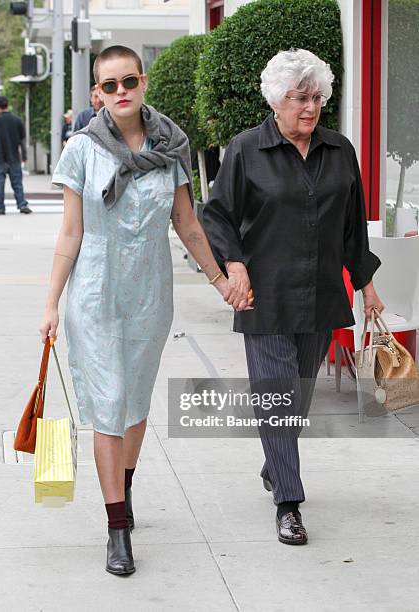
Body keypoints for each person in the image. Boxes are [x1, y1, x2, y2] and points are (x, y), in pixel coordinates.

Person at [39, 45, 248, 576]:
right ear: (96, 95)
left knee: (134, 404)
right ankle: (117, 528)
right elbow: (70, 232)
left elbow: (188, 224)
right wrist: (51, 304)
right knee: (108, 406)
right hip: (94, 296)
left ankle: (123, 493)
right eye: (109, 86)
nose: (120, 91)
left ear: (143, 82)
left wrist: (221, 280)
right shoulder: (82, 149)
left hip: (150, 298)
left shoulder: (172, 148)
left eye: (128, 80)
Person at [203, 48, 385, 546]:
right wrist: (233, 265)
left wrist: (366, 284)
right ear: (276, 101)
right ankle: (289, 502)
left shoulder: (340, 150)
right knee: (277, 399)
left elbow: (353, 227)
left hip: (321, 292)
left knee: (297, 401)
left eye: (317, 97)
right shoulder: (245, 149)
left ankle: (274, 464)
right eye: (299, 97)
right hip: (264, 296)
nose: (310, 107)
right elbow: (216, 214)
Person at [0, 96, 31, 215]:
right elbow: (22, 138)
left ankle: (0, 207)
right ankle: (22, 204)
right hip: (14, 156)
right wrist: (24, 155)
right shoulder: (17, 119)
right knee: (17, 183)